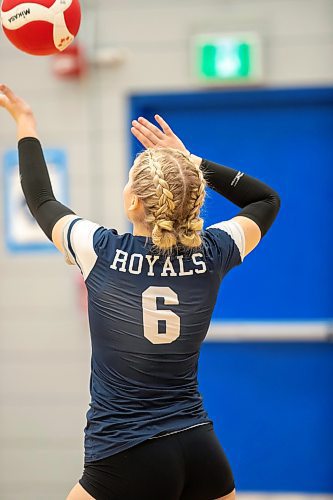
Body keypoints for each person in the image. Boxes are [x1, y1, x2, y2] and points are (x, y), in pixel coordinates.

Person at [0, 84, 280, 500]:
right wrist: (191, 161)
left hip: (126, 453)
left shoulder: (98, 250)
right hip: (200, 448)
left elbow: (40, 198)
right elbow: (265, 198)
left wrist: (26, 124)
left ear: (133, 203)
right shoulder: (214, 250)